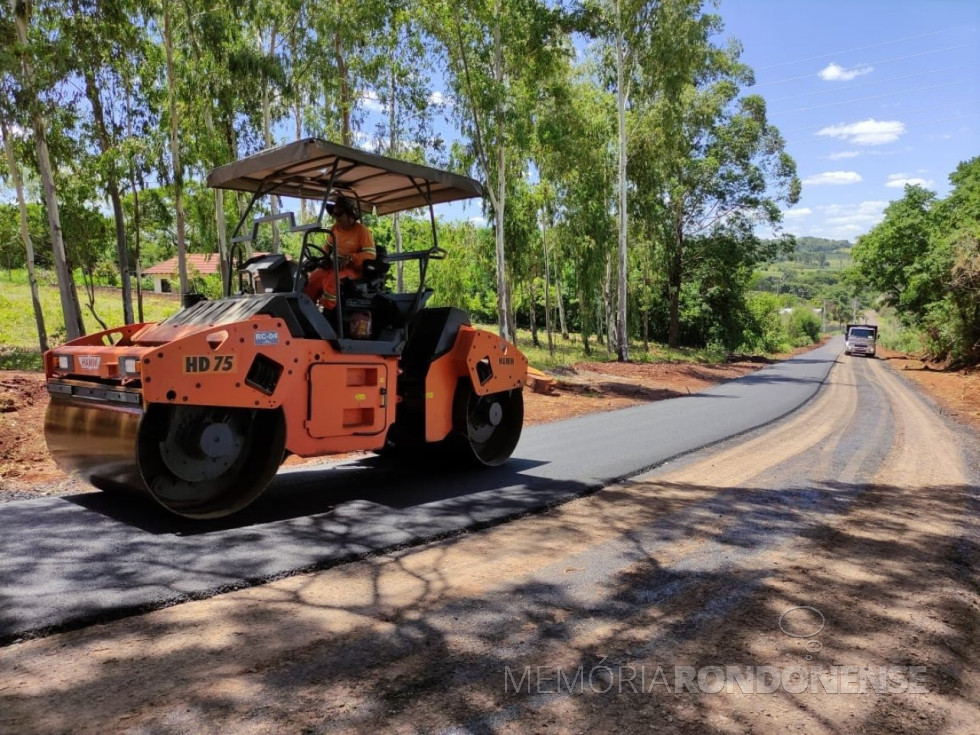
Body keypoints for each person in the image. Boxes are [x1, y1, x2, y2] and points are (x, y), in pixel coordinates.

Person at [303, 195, 377, 310]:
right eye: (334, 214)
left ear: (349, 214)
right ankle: (307, 311)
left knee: (332, 280)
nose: (336, 218)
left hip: (353, 269)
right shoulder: (335, 229)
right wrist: (322, 259)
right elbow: (327, 247)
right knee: (313, 278)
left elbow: (370, 256)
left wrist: (350, 259)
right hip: (334, 266)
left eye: (339, 214)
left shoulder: (362, 231)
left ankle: (328, 312)